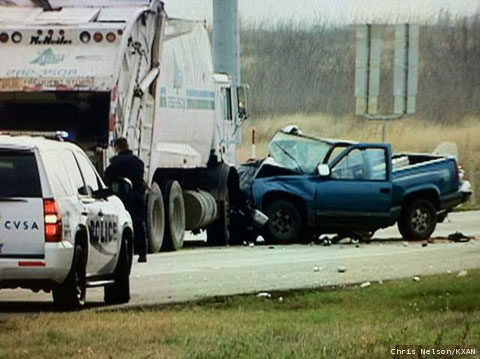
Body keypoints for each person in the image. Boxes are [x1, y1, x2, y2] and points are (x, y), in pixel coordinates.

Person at [104, 138, 148, 263]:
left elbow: (107, 179)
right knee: (139, 225)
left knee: (122, 226)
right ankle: (142, 253)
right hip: (138, 198)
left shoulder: (116, 162)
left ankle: (124, 253)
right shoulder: (138, 162)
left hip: (122, 199)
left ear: (117, 148)